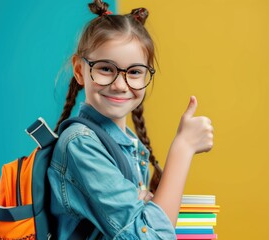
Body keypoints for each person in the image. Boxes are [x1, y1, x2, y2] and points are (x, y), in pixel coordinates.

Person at [48, 0, 214, 239]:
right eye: (105, 68)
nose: (119, 85)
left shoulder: (127, 142)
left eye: (135, 72)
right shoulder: (81, 145)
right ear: (79, 70)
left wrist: (146, 206)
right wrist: (183, 147)